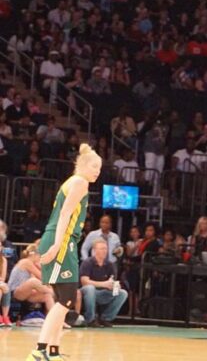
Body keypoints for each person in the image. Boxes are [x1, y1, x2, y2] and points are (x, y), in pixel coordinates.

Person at [29, 144, 101, 361]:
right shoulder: (80, 182)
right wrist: (56, 246)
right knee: (67, 298)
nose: (97, 171)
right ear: (82, 165)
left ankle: (53, 351)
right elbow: (65, 216)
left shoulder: (73, 182)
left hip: (61, 239)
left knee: (62, 298)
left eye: (100, 168)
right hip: (61, 241)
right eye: (94, 166)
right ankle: (39, 350)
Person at [79, 239, 128, 327]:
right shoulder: (87, 263)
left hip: (103, 293)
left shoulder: (110, 265)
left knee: (123, 293)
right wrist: (103, 284)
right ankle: (90, 319)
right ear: (94, 250)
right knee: (90, 288)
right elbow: (84, 281)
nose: (104, 251)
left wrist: (116, 287)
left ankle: (106, 318)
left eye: (105, 249)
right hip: (87, 293)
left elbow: (112, 281)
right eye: (101, 249)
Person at [9, 244, 55, 313]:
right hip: (14, 292)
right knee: (33, 281)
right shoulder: (26, 262)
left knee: (47, 296)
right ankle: (55, 293)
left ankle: (54, 319)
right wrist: (40, 266)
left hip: (25, 293)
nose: (40, 258)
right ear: (35, 254)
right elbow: (42, 277)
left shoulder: (30, 265)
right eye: (40, 256)